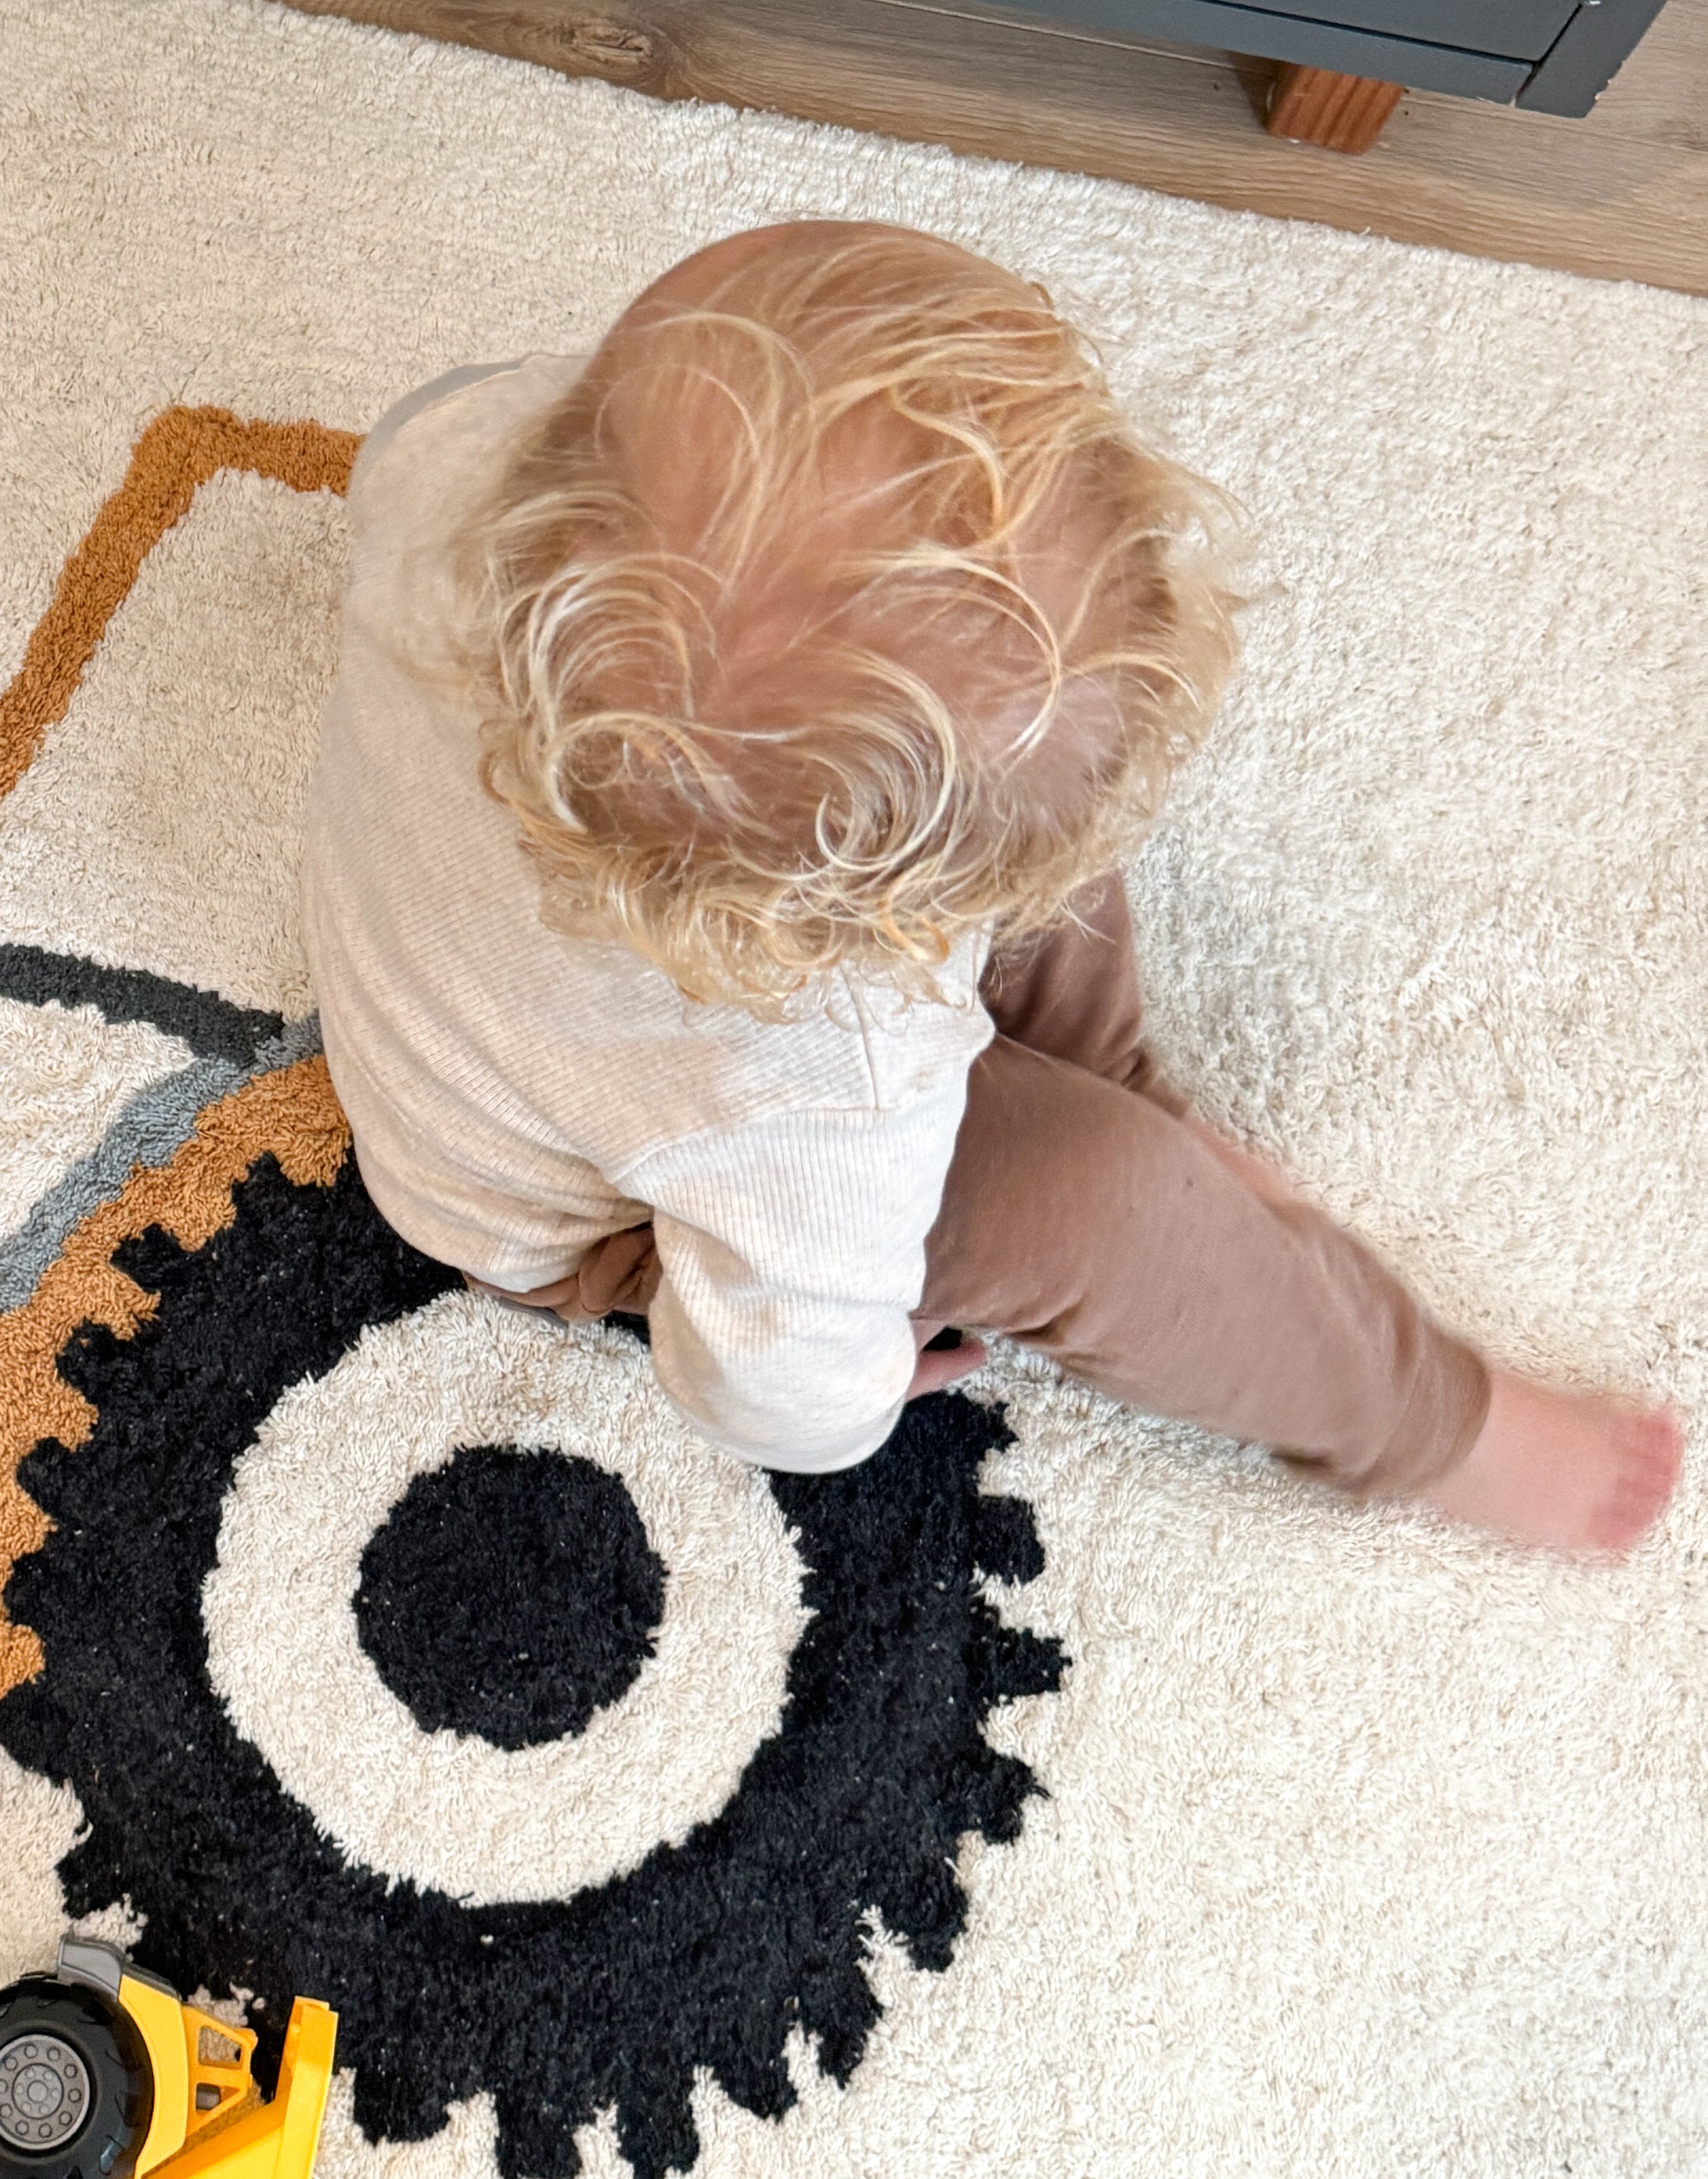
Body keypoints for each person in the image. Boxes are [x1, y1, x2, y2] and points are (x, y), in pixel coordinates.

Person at [299, 219, 1679, 1555]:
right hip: (567, 1211)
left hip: (550, 989)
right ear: (871, 935)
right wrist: (858, 1384)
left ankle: (1119, 1071)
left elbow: (431, 423)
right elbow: (765, 1390)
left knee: (1013, 767)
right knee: (1106, 1201)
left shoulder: (458, 459)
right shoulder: (819, 1086)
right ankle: (1423, 1420)